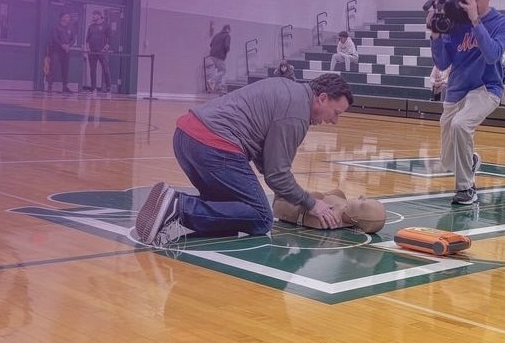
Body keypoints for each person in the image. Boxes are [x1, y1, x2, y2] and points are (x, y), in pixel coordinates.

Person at [133, 73, 354, 246]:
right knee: (260, 217)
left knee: (229, 215)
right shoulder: (296, 114)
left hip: (185, 137)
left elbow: (266, 161)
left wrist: (289, 194)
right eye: (336, 113)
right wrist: (311, 203)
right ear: (322, 98)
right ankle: (178, 206)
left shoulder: (288, 89)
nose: (335, 121)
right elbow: (277, 174)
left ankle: (169, 204)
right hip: (213, 146)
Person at [428, 0, 505, 205]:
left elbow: (492, 54)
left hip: (487, 88)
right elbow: (443, 62)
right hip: (456, 89)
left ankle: (466, 190)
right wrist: (435, 33)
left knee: (460, 124)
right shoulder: (456, 21)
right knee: (448, 161)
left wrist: (476, 20)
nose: (469, 2)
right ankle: (470, 161)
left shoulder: (503, 23)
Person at [47, 12, 74, 94]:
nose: (68, 19)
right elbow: (54, 38)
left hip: (66, 52)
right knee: (53, 68)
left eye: (69, 17)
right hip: (56, 51)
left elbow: (73, 39)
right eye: (66, 17)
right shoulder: (56, 27)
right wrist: (62, 45)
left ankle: (65, 87)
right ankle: (50, 86)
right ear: (62, 18)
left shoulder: (71, 28)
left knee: (65, 69)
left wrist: (69, 46)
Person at [85, 10, 111, 94]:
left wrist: (106, 48)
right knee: (93, 70)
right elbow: (87, 39)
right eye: (92, 15)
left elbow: (110, 38)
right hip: (92, 51)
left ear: (99, 15)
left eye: (94, 15)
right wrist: (88, 48)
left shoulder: (106, 26)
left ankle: (108, 88)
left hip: (102, 51)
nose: (93, 17)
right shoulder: (91, 26)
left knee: (106, 69)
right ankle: (93, 88)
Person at [208, 24, 231, 94]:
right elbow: (227, 46)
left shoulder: (217, 35)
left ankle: (218, 87)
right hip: (219, 55)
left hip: (212, 55)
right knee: (223, 71)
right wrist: (227, 51)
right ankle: (212, 80)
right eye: (229, 30)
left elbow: (211, 44)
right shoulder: (227, 35)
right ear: (228, 29)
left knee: (219, 70)